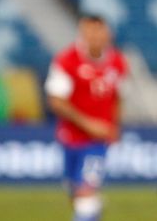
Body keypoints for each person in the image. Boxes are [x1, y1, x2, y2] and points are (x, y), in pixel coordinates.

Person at [44, 14, 127, 221]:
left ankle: (89, 208)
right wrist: (88, 124)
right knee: (76, 193)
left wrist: (114, 125)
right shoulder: (66, 61)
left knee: (86, 192)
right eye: (91, 32)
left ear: (108, 34)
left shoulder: (118, 62)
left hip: (97, 142)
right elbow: (56, 101)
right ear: (82, 34)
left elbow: (118, 96)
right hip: (71, 138)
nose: (96, 37)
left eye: (101, 31)